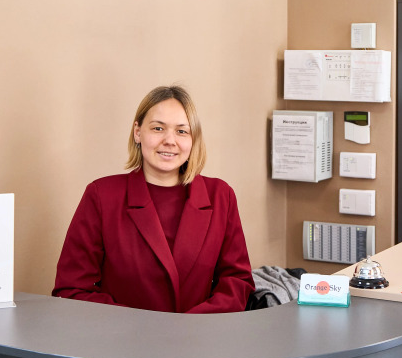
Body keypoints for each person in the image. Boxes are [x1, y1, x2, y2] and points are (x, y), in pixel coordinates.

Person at [53, 85, 254, 313]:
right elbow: (71, 289)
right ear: (138, 132)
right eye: (158, 128)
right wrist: (140, 328)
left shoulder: (221, 196)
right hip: (123, 343)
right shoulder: (101, 195)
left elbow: (237, 282)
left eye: (182, 131)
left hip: (198, 341)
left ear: (193, 139)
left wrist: (190, 326)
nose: (170, 140)